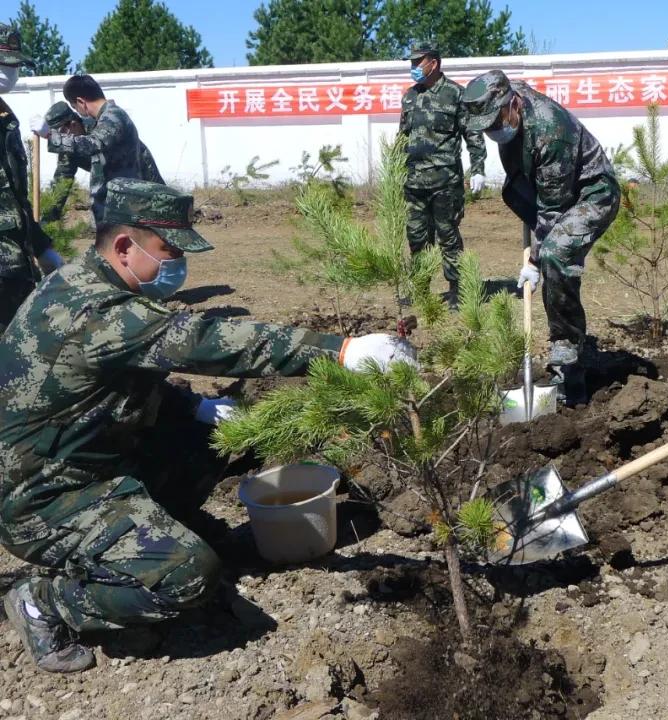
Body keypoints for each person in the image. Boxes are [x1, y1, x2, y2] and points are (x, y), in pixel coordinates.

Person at [0, 178, 416, 673]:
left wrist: (190, 407)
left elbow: (110, 382)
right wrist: (342, 351)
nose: (177, 262)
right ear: (124, 246)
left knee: (218, 437)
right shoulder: (93, 309)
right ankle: (48, 600)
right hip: (42, 497)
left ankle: (159, 529)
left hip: (89, 456)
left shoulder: (94, 284)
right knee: (190, 575)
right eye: (167, 249)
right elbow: (210, 340)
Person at [461, 70, 620, 406]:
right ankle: (570, 343)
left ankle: (568, 356)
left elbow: (553, 211)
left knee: (555, 255)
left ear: (513, 104)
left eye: (496, 123)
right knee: (547, 247)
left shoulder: (551, 132)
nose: (493, 132)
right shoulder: (505, 101)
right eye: (486, 128)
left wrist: (534, 260)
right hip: (545, 185)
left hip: (590, 192)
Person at [399, 43, 487, 306]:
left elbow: (473, 135)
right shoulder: (409, 96)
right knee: (416, 238)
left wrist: (478, 169)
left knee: (448, 237)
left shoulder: (456, 95)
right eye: (412, 63)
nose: (414, 68)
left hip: (444, 182)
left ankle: (456, 292)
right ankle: (419, 291)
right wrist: (395, 170)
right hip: (413, 182)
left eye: (418, 62)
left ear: (433, 63)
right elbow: (403, 136)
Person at [0, 23, 64, 332]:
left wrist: (40, 244)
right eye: (2, 65)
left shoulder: (4, 117)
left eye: (12, 66)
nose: (8, 73)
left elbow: (13, 197)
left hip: (14, 267)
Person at [32, 74, 146, 223]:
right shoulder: (74, 144)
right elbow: (61, 181)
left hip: (136, 203)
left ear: (80, 102)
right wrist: (46, 222)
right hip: (112, 209)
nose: (65, 137)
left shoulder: (112, 117)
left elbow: (94, 144)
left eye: (75, 107)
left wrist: (49, 135)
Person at [39, 101, 165, 224]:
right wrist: (46, 222)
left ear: (72, 124)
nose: (62, 139)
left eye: (60, 133)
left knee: (160, 218)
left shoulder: (101, 128)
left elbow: (94, 148)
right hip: (117, 190)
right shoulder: (70, 148)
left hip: (141, 175)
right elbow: (61, 182)